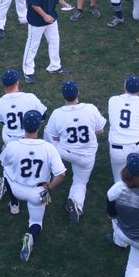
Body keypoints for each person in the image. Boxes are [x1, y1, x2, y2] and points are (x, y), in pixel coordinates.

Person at [0, 110, 66, 262]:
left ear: (23, 126)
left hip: (17, 188)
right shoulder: (48, 148)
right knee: (36, 223)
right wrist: (49, 187)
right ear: (39, 127)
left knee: (5, 170)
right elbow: (61, 174)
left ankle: (13, 203)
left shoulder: (13, 145)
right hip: (38, 193)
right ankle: (30, 235)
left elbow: (4, 162)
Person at [43, 80, 107, 224]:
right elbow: (101, 130)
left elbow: (54, 137)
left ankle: (46, 162)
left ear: (63, 95)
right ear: (78, 93)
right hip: (86, 156)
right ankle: (76, 203)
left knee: (48, 130)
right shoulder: (90, 109)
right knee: (80, 182)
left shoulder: (57, 113)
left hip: (64, 153)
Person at [0, 68, 48, 214]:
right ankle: (38, 193)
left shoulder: (0, 103)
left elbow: (1, 122)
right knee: (35, 166)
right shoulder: (29, 97)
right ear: (17, 82)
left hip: (10, 142)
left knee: (9, 172)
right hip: (29, 139)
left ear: (4, 86)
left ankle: (14, 205)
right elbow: (43, 115)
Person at [21, 0, 74, 84]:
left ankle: (55, 66)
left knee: (55, 40)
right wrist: (44, 15)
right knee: (32, 45)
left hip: (51, 18)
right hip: (37, 20)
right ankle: (28, 71)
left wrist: (64, 3)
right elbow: (33, 3)